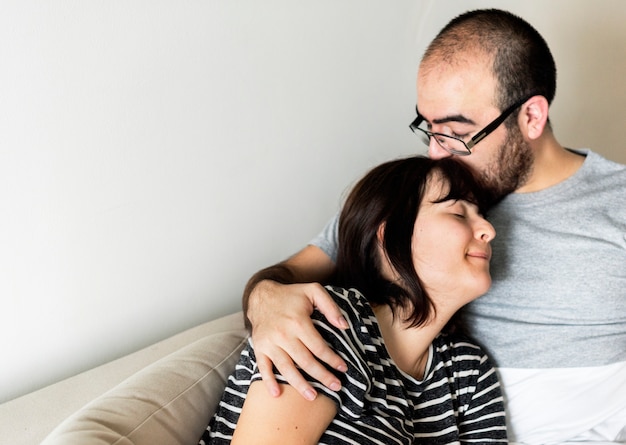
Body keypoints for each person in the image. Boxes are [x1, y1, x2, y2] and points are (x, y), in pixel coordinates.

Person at [242, 8, 626, 444]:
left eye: (456, 132)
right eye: (429, 128)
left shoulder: (617, 203)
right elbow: (286, 277)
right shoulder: (423, 201)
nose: (437, 153)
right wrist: (264, 300)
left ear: (532, 117)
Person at [200, 156, 506, 444]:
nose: (488, 230)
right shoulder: (329, 321)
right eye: (457, 213)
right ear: (391, 236)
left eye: (481, 216)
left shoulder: (468, 370)